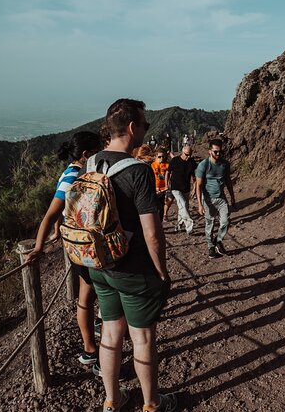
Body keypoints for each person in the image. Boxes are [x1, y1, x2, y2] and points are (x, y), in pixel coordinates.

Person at [86, 98, 176, 412]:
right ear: (132, 127)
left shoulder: (92, 162)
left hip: (99, 265)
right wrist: (162, 272)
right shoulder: (139, 171)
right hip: (132, 269)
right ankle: (152, 404)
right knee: (142, 339)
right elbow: (152, 233)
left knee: (110, 332)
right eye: (144, 125)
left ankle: (112, 400)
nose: (145, 131)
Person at [26, 131, 102, 365]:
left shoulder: (70, 171)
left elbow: (62, 209)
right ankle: (93, 350)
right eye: (98, 149)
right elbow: (51, 212)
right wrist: (39, 246)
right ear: (87, 154)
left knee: (88, 295)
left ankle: (92, 347)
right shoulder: (74, 176)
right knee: (88, 296)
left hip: (81, 245)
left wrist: (58, 228)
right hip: (86, 247)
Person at [196, 138, 236, 259]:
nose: (218, 154)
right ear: (209, 151)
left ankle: (218, 240)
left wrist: (233, 198)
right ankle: (210, 246)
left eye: (220, 152)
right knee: (210, 224)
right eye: (215, 152)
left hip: (221, 198)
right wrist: (200, 204)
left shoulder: (225, 164)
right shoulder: (203, 165)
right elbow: (198, 185)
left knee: (225, 221)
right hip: (208, 199)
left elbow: (228, 181)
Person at [168, 145, 197, 234]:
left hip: (186, 188)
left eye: (190, 155)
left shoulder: (192, 162)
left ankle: (178, 225)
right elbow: (168, 172)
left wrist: (194, 189)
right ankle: (189, 226)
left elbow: (195, 177)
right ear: (182, 152)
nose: (188, 156)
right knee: (183, 204)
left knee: (183, 207)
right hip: (175, 187)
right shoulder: (175, 160)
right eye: (186, 154)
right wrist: (167, 184)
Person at [151, 149, 173, 221]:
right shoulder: (153, 165)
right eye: (159, 157)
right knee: (156, 205)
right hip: (155, 187)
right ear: (155, 157)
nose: (161, 158)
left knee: (163, 204)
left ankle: (161, 220)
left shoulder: (167, 164)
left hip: (165, 187)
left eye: (163, 157)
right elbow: (156, 175)